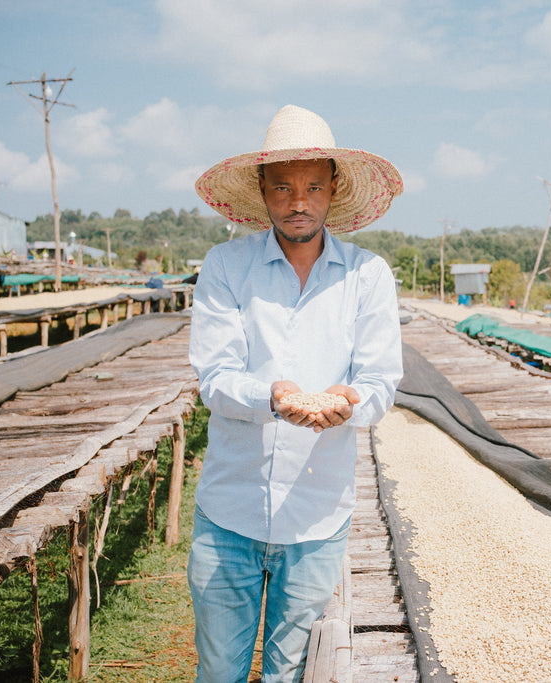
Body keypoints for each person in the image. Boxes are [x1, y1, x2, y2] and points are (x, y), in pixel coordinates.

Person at [187, 105, 404, 682]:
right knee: (219, 672)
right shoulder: (227, 266)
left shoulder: (367, 276)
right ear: (262, 191)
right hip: (229, 512)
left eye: (312, 186)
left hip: (316, 518)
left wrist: (347, 401)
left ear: (334, 189)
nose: (298, 202)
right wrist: (273, 396)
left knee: (290, 673)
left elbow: (380, 381)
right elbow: (215, 376)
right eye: (282, 187)